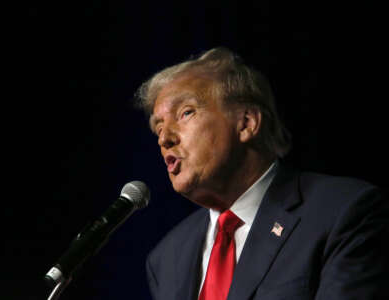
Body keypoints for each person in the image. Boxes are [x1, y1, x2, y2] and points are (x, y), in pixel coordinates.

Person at [135, 47, 388, 300]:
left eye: (186, 113)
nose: (165, 139)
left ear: (246, 123)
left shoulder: (342, 211)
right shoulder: (166, 259)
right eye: (158, 128)